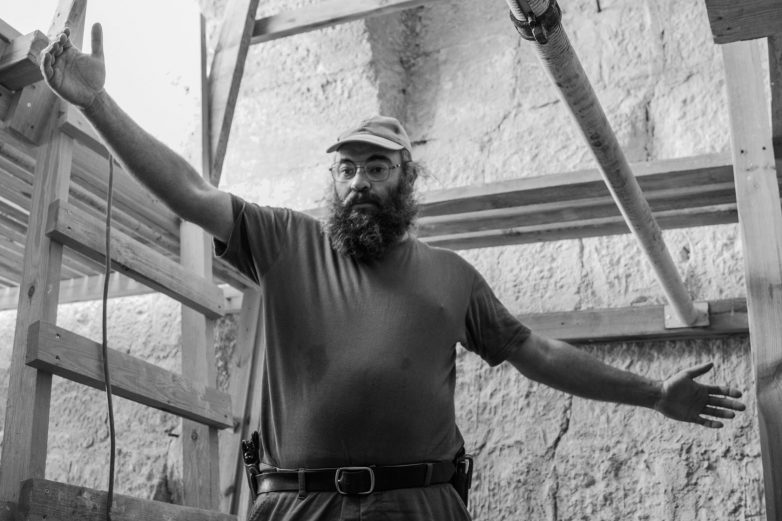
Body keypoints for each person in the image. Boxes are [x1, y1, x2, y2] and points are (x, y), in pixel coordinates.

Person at [40, 24, 745, 521]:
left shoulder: (452, 275)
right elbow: (190, 191)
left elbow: (537, 352)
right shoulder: (284, 239)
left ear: (407, 177)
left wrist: (654, 393)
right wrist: (96, 103)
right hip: (297, 505)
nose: (358, 182)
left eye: (376, 167)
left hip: (421, 505)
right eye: (346, 169)